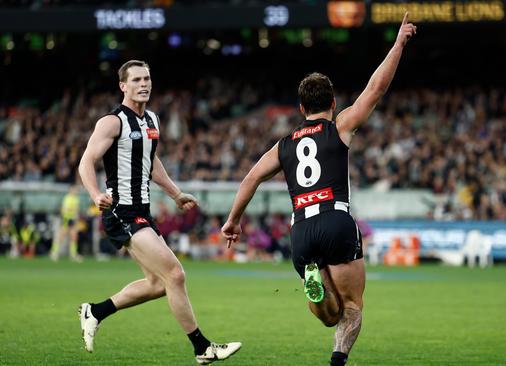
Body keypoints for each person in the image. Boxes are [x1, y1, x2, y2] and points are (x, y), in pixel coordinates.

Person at [221, 13, 416, 365]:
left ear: (300, 109)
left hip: (301, 230)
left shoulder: (284, 145)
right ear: (333, 104)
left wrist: (233, 220)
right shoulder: (339, 127)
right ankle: (337, 362)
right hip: (335, 220)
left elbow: (250, 178)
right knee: (352, 307)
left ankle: (314, 278)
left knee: (328, 314)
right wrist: (399, 43)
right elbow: (376, 89)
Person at [77, 60, 241, 364]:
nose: (144, 84)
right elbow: (85, 162)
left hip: (143, 211)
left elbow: (151, 163)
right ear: (123, 86)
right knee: (175, 274)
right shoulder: (112, 122)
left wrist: (176, 194)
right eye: (137, 79)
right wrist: (96, 194)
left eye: (147, 79)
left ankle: (94, 311)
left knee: (157, 284)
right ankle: (202, 347)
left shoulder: (151, 119)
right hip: (121, 211)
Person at [50, 185, 83, 262]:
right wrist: (70, 213)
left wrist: (76, 217)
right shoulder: (67, 198)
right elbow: (64, 209)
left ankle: (73, 254)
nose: (76, 191)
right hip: (66, 219)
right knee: (62, 236)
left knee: (74, 237)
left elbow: (77, 210)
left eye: (76, 190)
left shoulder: (76, 199)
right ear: (70, 190)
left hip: (73, 219)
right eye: (74, 190)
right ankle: (54, 252)